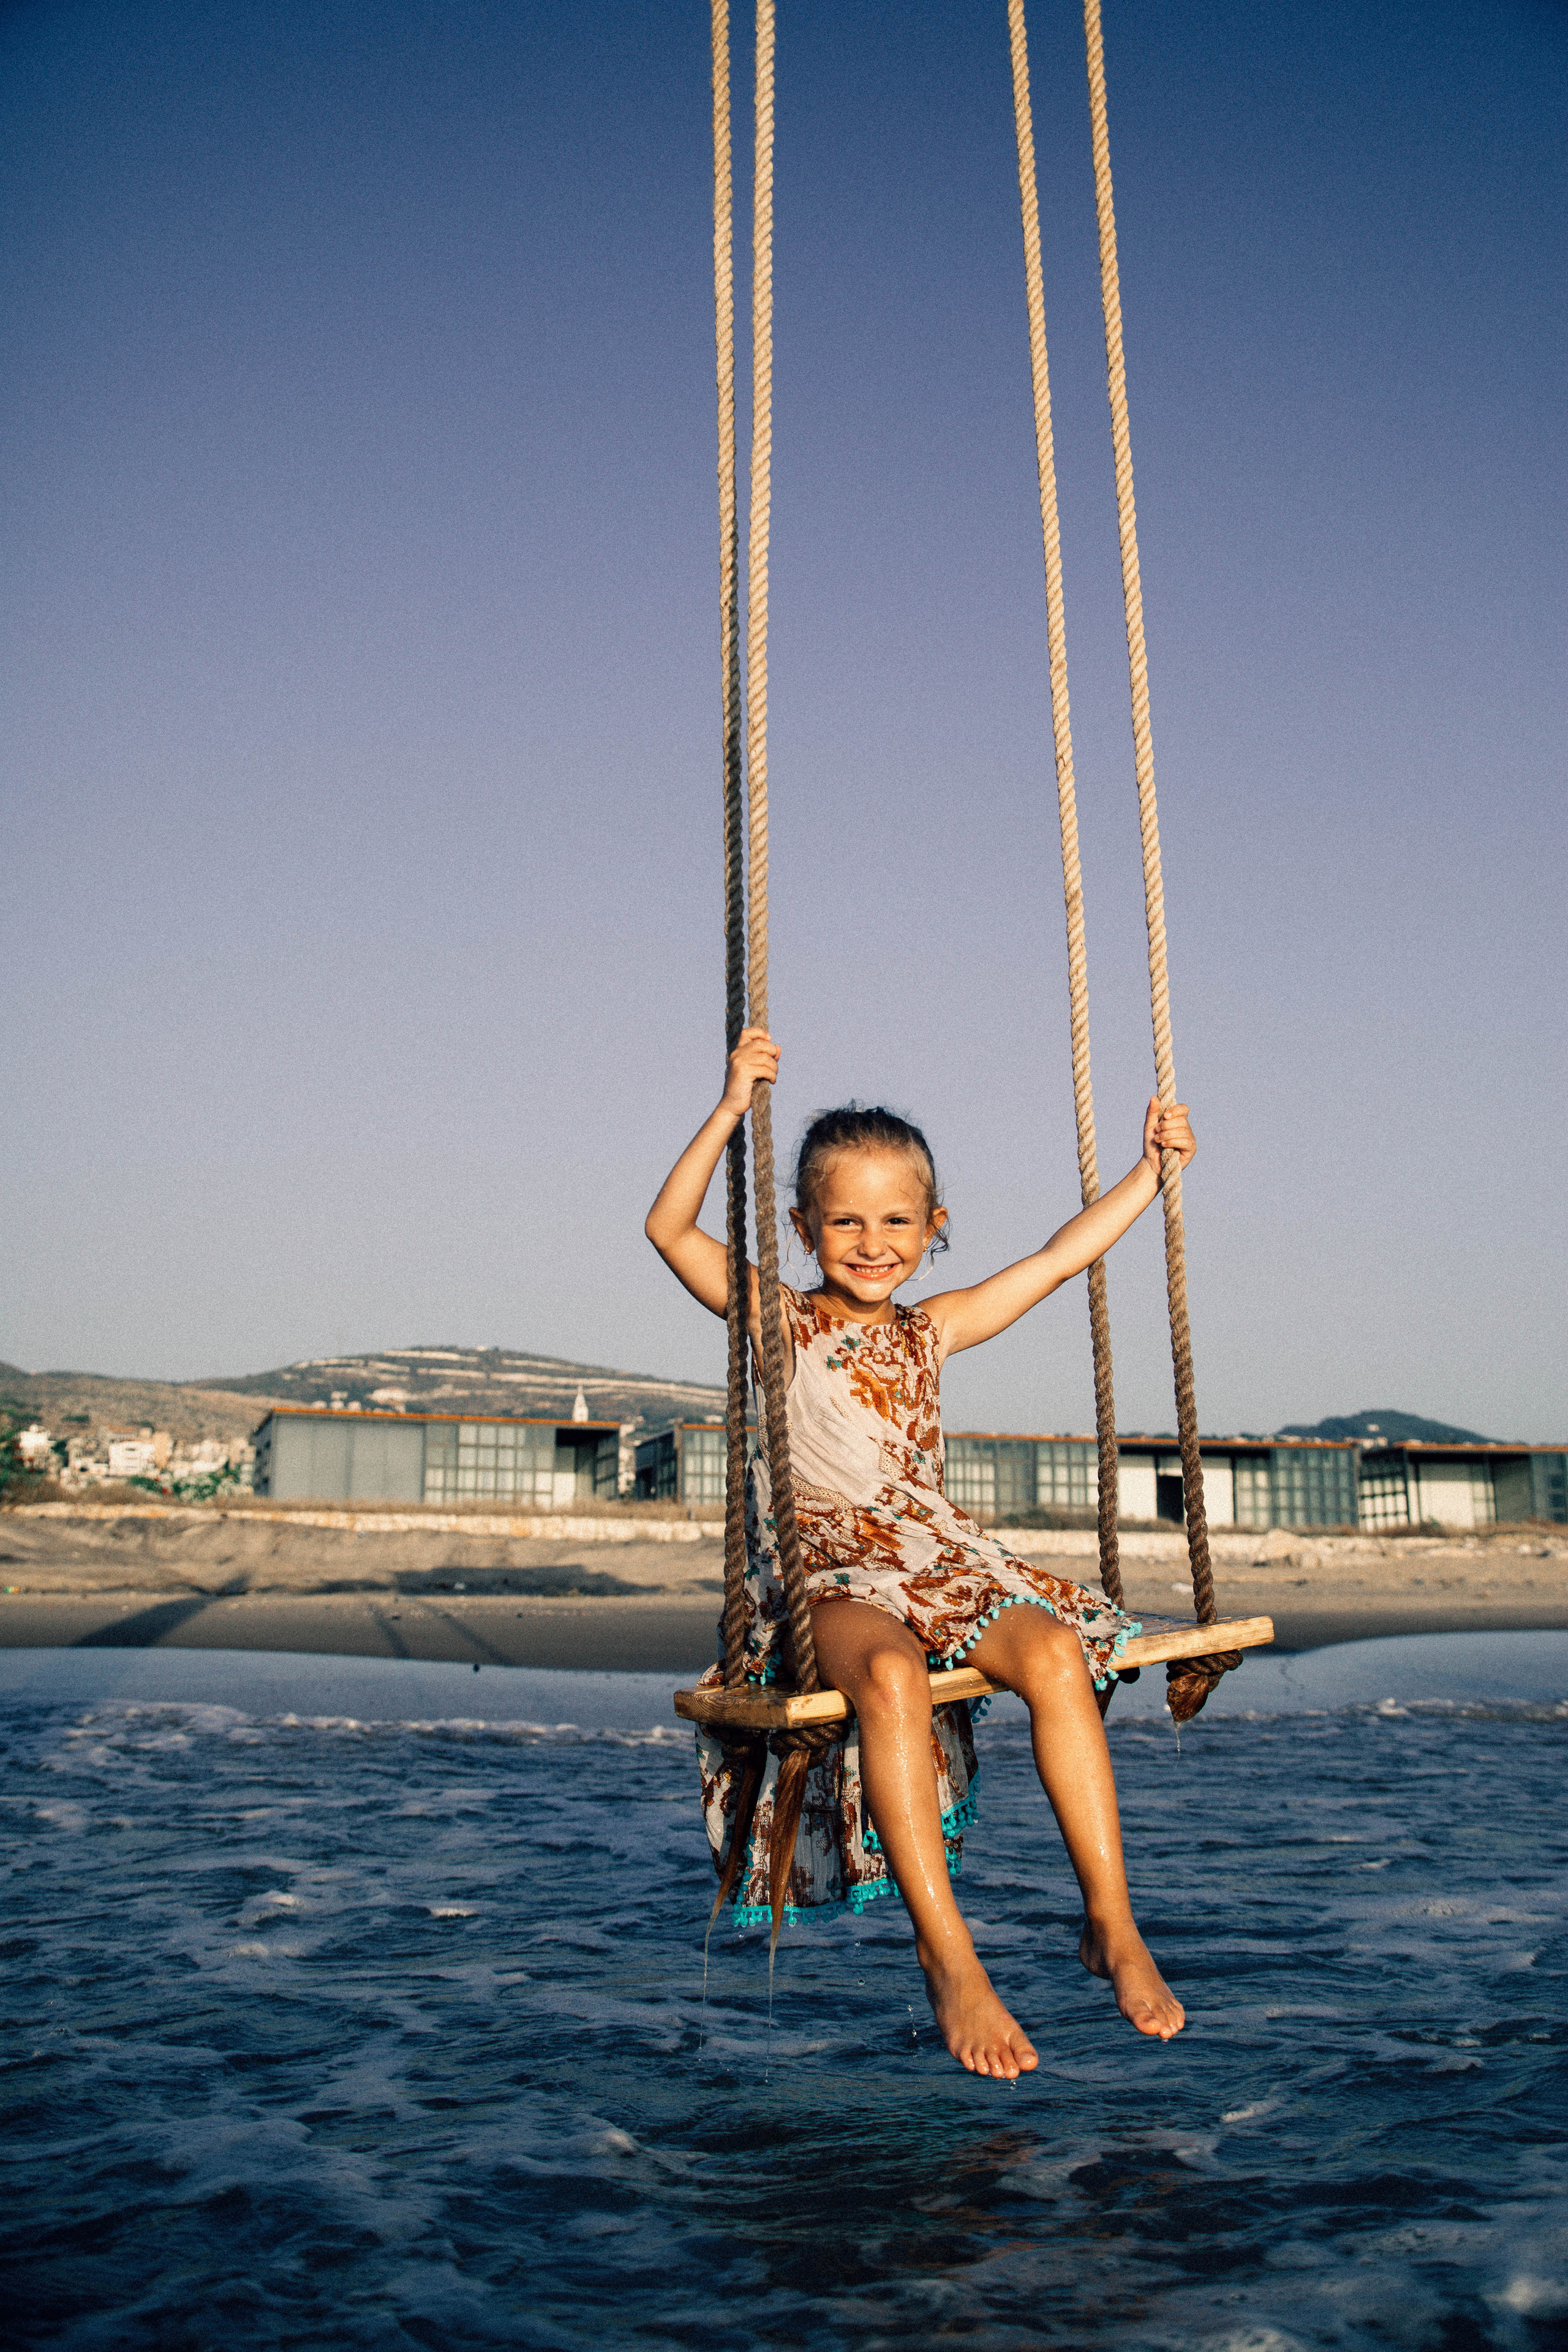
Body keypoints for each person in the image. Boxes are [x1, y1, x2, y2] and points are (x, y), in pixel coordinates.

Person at [645, 1028, 1197, 2079]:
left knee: (1054, 1659)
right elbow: (667, 1228)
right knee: (892, 1675)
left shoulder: (931, 1330)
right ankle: (950, 1961)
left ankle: (1112, 1922)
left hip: (942, 1564)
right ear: (803, 1226)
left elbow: (1058, 1257)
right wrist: (728, 1108)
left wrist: (1151, 1173)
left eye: (897, 1219)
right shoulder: (780, 1320)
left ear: (933, 1228)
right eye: (844, 1218)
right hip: (830, 1575)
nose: (870, 1239)